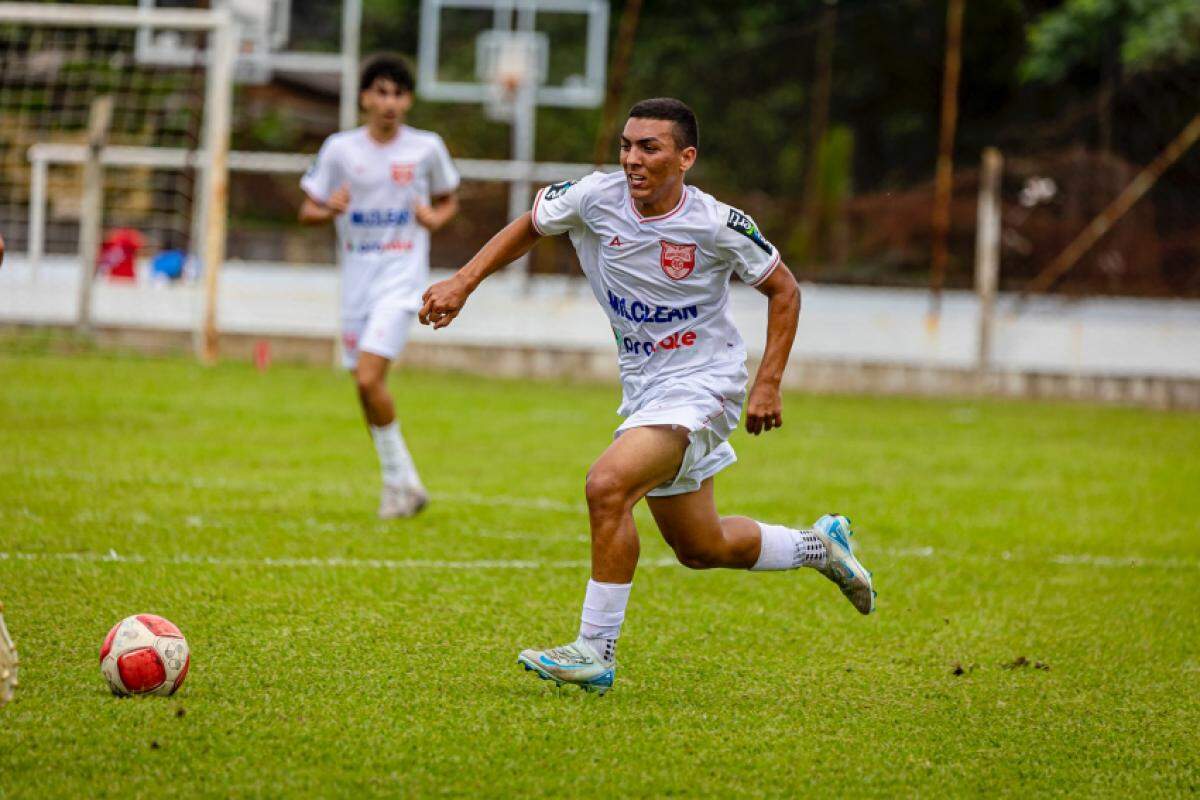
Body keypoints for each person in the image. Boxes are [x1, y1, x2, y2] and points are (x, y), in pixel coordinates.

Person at [420, 98, 875, 695]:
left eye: (649, 148)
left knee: (606, 486)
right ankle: (821, 546)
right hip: (646, 388)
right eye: (627, 146)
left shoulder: (716, 224)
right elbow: (530, 225)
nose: (632, 159)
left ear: (685, 158)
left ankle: (594, 651)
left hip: (705, 384)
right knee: (700, 546)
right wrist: (462, 281)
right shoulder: (593, 196)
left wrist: (767, 381)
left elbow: (784, 291)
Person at [300, 54, 460, 518]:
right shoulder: (339, 150)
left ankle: (399, 481)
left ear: (407, 101)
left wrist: (435, 217)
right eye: (381, 92)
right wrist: (329, 208)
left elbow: (448, 200)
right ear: (365, 98)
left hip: (401, 280)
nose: (389, 102)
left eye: (398, 93)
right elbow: (306, 210)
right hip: (355, 283)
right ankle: (402, 484)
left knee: (370, 377)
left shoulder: (426, 148)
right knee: (364, 386)